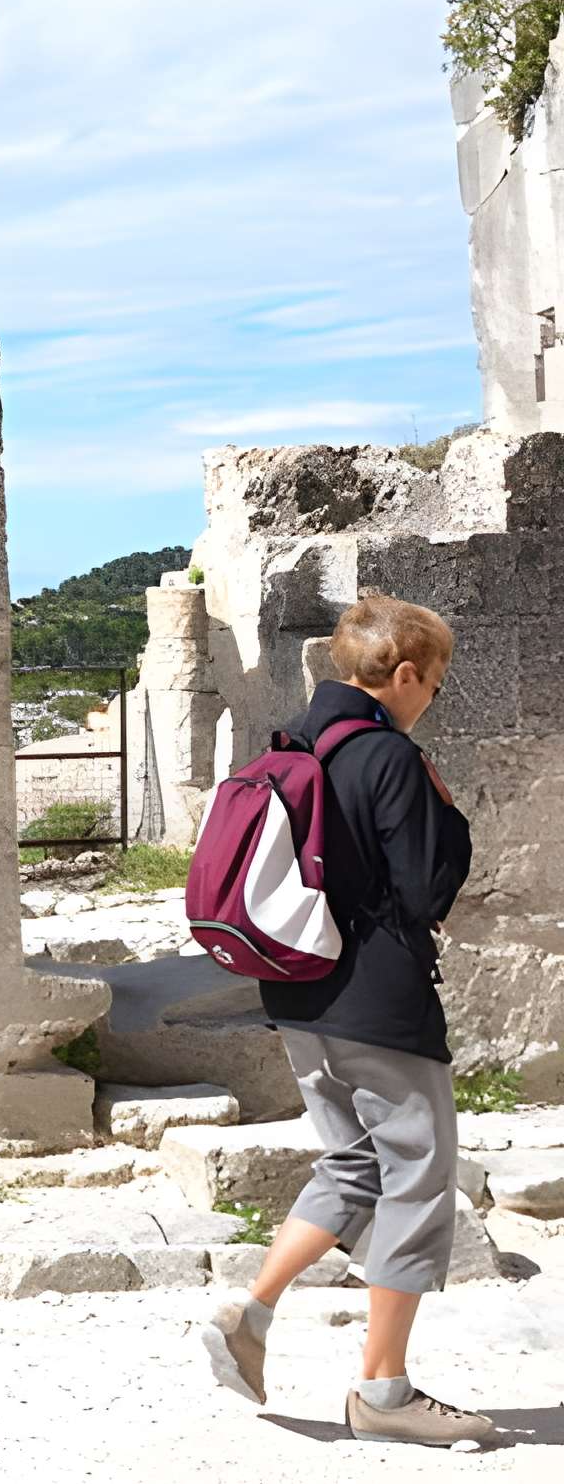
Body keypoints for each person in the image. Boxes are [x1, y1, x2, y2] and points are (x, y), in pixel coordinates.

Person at [199, 594, 494, 1448]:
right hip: (380, 1004)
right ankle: (385, 1390)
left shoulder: (290, 745)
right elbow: (423, 892)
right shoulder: (385, 756)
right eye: (432, 683)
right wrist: (449, 819)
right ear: (403, 675)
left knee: (356, 1163)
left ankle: (248, 1316)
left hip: (298, 993)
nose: (431, 696)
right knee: (418, 1176)